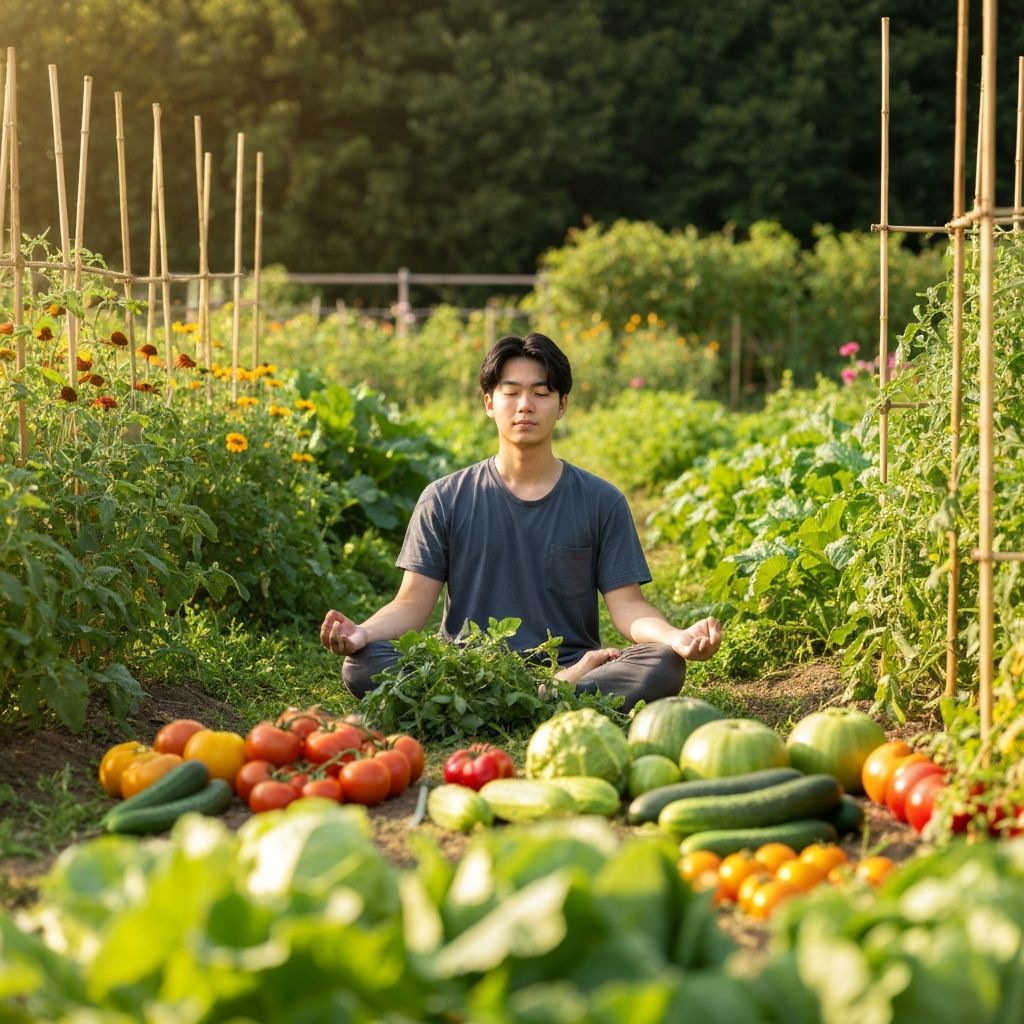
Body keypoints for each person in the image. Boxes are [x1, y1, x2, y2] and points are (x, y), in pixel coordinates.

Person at [320, 332, 721, 711]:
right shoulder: (443, 497)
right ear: (489, 403)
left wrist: (676, 637)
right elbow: (410, 604)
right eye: (510, 392)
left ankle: (537, 689)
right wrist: (363, 634)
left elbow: (629, 607)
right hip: (466, 669)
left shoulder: (602, 500)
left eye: (541, 393)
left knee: (663, 663)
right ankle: (558, 694)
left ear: (562, 404)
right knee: (362, 663)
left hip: (562, 662)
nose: (525, 405)